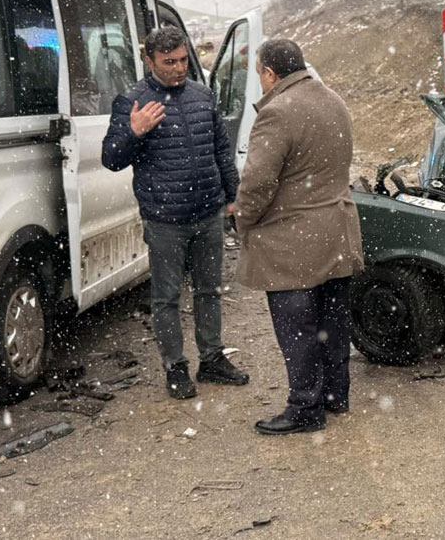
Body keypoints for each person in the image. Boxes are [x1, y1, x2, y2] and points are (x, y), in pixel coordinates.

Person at [101, 26, 249, 400]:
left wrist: (233, 197)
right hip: (165, 218)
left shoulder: (202, 95)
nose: (179, 68)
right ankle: (175, 366)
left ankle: (212, 358)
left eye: (183, 60)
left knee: (209, 290)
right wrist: (134, 133)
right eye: (169, 63)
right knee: (167, 297)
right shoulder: (132, 101)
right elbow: (111, 159)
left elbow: (221, 151)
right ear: (149, 61)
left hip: (208, 213)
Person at [233, 39, 364, 435]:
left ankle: (306, 407)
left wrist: (245, 222)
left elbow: (257, 183)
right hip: (338, 233)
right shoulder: (333, 100)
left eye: (259, 73)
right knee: (332, 322)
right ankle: (334, 395)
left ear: (270, 74)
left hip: (294, 242)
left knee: (298, 329)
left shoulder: (277, 113)